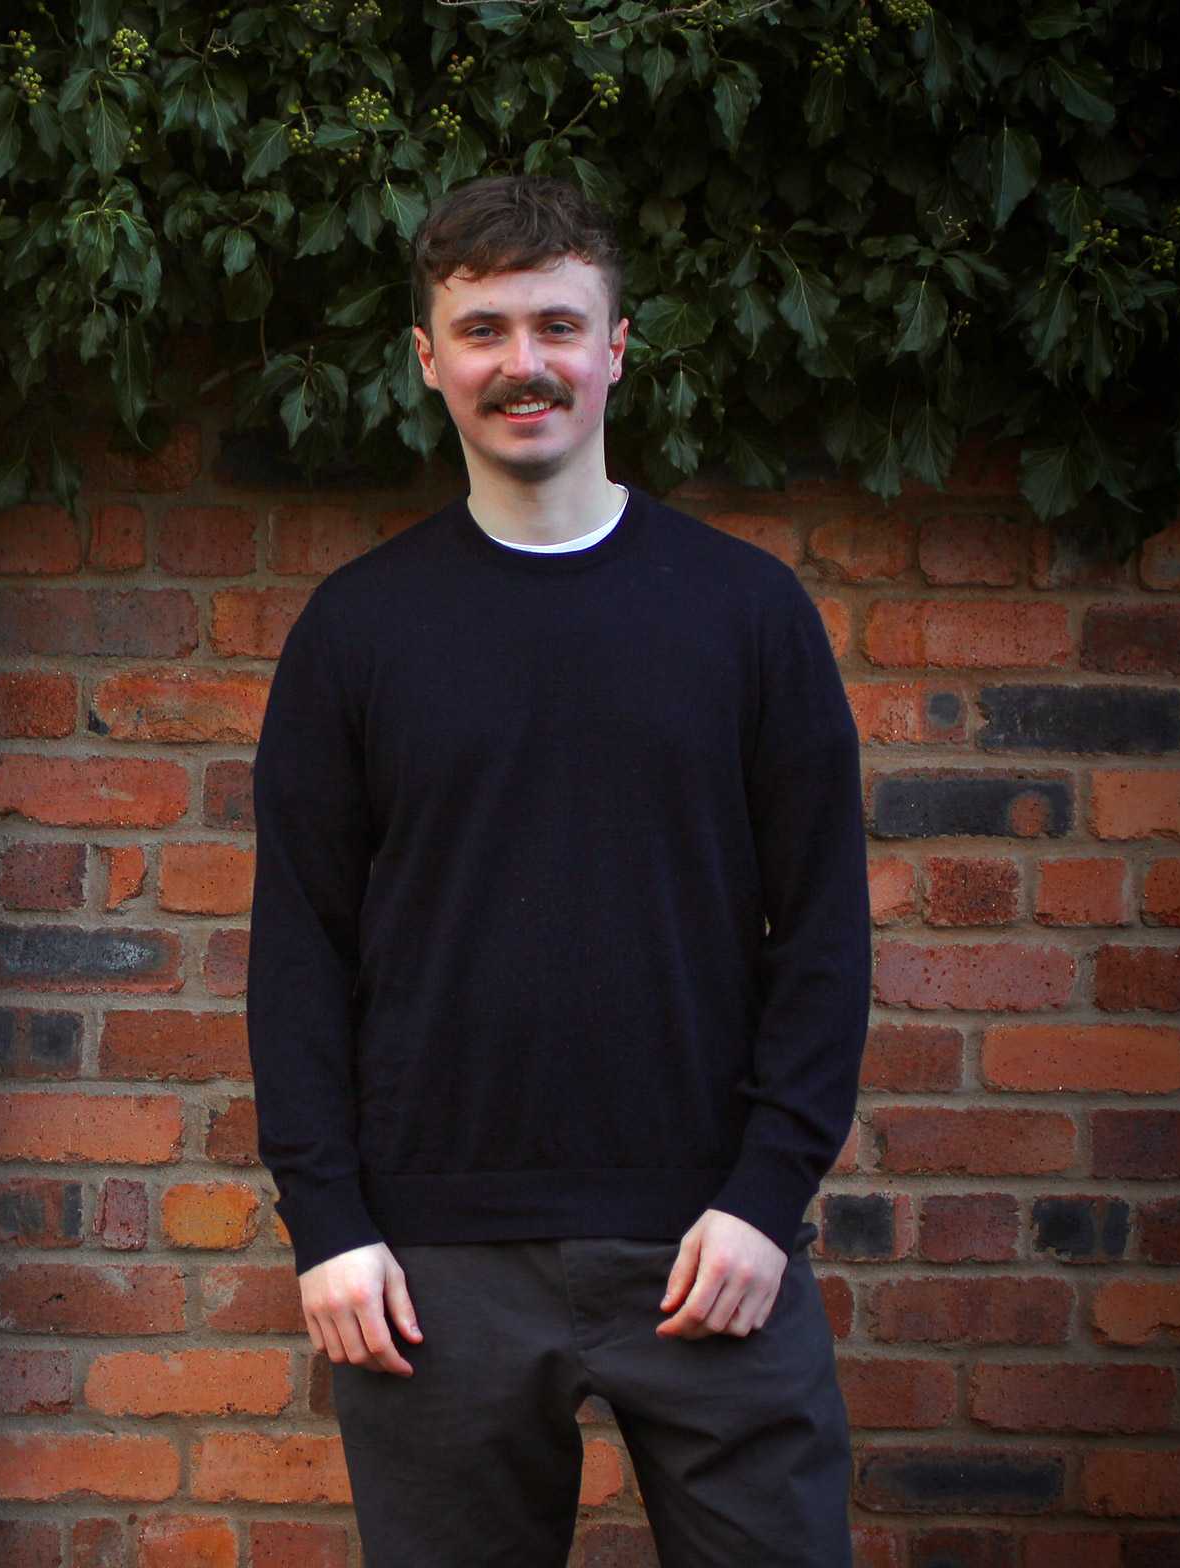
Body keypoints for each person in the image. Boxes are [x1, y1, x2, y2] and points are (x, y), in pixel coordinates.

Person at [245, 173, 871, 1566]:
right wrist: (328, 1225)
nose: (522, 363)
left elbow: (822, 934)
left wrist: (769, 1197)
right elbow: (300, 950)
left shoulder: (748, 614)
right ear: (427, 359)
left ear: (617, 347)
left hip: (712, 1247)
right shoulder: (356, 632)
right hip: (429, 1272)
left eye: (556, 325)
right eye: (481, 330)